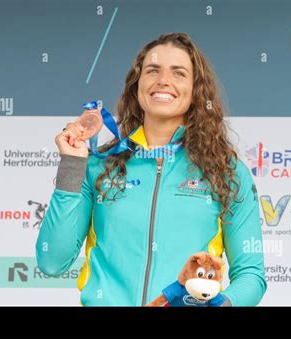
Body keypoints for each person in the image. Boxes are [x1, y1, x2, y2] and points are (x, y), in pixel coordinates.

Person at [36, 32, 267, 306]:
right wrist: (73, 165)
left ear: (196, 90)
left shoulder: (227, 171)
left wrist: (224, 304)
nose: (163, 81)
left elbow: (251, 275)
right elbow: (52, 262)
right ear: (138, 85)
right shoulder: (100, 165)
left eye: (179, 73)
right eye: (152, 70)